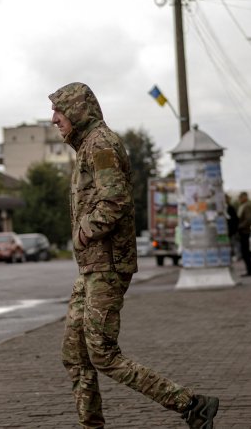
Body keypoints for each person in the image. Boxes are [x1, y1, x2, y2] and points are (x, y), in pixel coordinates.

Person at [50, 82, 219, 429]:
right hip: (92, 266)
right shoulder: (86, 146)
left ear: (78, 111)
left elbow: (115, 201)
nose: (54, 119)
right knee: (74, 354)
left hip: (107, 264)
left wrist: (84, 232)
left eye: (60, 111)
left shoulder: (101, 144)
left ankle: (191, 404)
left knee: (102, 354)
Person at [236, 191, 251, 277]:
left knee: (246, 252)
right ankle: (249, 270)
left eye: (240, 197)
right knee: (245, 252)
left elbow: (248, 220)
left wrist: (239, 226)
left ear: (245, 197)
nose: (239, 199)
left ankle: (250, 271)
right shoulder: (242, 206)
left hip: (245, 232)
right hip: (243, 231)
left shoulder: (246, 206)